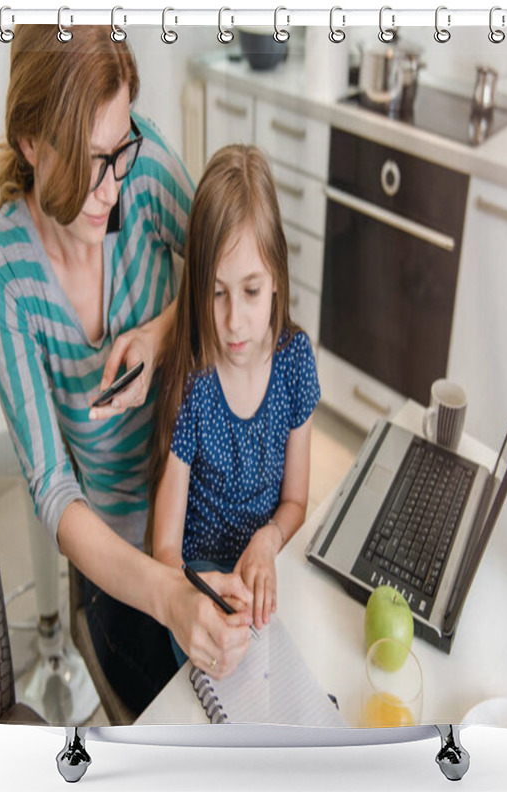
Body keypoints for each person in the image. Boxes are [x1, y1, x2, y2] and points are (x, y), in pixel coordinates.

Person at [0, 25, 253, 718]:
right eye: (93, 161)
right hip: (124, 556)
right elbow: (54, 487)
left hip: (212, 497)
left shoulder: (143, 165)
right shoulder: (2, 266)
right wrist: (166, 593)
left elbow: (237, 279)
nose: (112, 186)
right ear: (32, 144)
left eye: (120, 148)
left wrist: (160, 335)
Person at [147, 145, 320, 662]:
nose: (234, 320)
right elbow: (165, 552)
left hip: (265, 573)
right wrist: (206, 590)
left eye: (250, 290)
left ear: (276, 282)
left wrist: (268, 542)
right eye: (216, 293)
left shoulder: (295, 363)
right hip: (200, 587)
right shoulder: (192, 382)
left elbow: (295, 504)